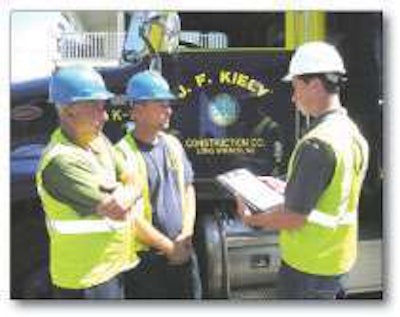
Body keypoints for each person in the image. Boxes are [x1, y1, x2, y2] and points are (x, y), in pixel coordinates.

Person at [235, 41, 369, 299]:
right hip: (335, 263)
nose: (294, 97)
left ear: (315, 85)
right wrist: (286, 186)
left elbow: (293, 218)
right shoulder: (350, 133)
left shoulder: (317, 144)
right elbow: (331, 191)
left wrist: (252, 220)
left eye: (296, 87)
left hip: (308, 270)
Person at [36, 65, 140, 299]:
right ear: (68, 111)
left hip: (111, 272)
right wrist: (127, 192)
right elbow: (118, 209)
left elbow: (134, 178)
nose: (105, 116)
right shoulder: (61, 162)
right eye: (95, 107)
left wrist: (124, 189)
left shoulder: (97, 140)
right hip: (84, 284)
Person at [116, 70, 202, 299]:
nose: (169, 110)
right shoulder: (122, 154)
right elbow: (129, 216)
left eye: (168, 103)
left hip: (182, 250)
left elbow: (188, 188)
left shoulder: (173, 144)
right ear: (137, 109)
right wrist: (169, 247)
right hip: (147, 263)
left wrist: (186, 234)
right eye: (161, 104)